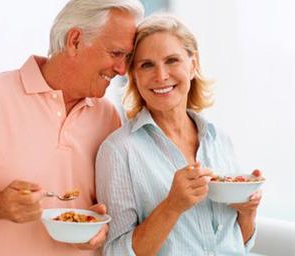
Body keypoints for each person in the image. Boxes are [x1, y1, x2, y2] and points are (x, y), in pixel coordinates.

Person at [0, 0, 144, 256]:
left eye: (127, 59)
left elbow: (109, 210)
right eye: (115, 53)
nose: (122, 69)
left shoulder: (108, 117)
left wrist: (100, 229)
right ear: (75, 40)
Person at [96, 13, 262, 255]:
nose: (161, 76)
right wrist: (172, 207)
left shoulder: (220, 140)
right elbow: (115, 253)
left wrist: (248, 214)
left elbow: (239, 244)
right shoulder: (119, 151)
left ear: (192, 66)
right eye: (147, 65)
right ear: (134, 76)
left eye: (172, 60)